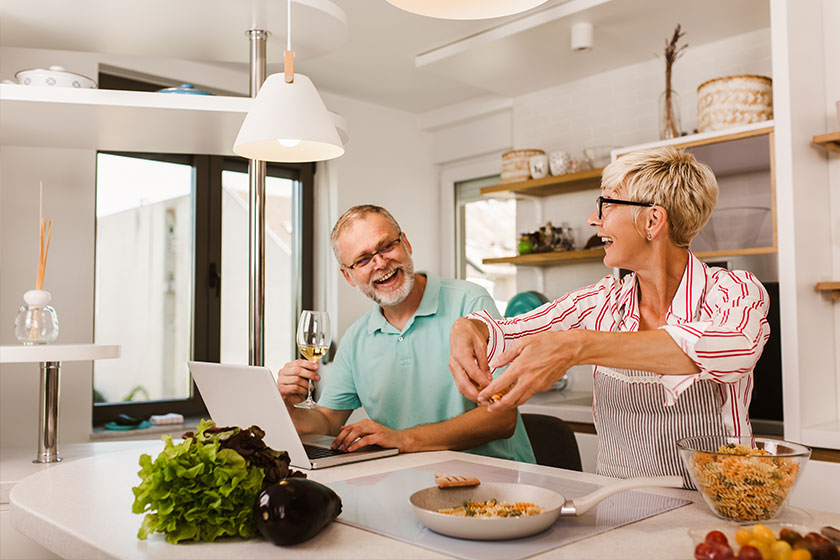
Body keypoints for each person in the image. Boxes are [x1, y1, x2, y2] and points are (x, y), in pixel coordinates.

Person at [448, 147, 770, 484]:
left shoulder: (734, 290)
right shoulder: (600, 301)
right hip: (617, 507)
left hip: (717, 508)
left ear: (652, 220)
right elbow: (507, 332)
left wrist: (579, 346)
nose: (593, 219)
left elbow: (734, 349)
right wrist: (467, 327)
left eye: (608, 204)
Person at [276, 204, 535, 463]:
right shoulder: (356, 338)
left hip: (498, 483)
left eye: (387, 246)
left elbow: (502, 417)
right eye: (363, 259)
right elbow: (327, 422)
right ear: (348, 276)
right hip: (409, 482)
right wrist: (286, 409)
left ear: (406, 244)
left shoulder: (470, 302)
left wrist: (403, 439)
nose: (380, 262)